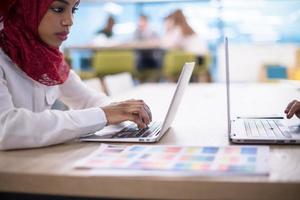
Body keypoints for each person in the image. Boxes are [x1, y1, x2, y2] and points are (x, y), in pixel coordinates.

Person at [0, 0, 152, 150]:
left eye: (73, 10)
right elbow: (6, 128)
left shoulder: (48, 59)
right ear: (24, 7)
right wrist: (104, 115)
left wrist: (123, 111)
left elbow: (89, 99)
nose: (70, 21)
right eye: (58, 9)